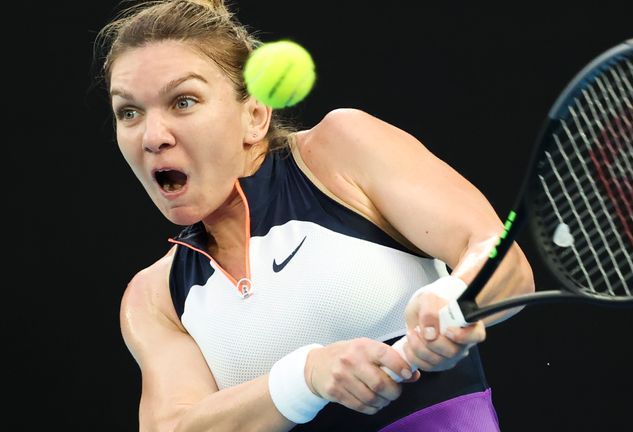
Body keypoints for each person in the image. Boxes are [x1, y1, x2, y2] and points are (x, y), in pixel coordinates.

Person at [94, 0, 534, 430]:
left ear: (255, 115)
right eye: (128, 112)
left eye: (184, 101)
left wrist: (456, 298)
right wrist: (306, 377)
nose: (152, 136)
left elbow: (499, 255)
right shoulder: (154, 298)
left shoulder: (338, 153)